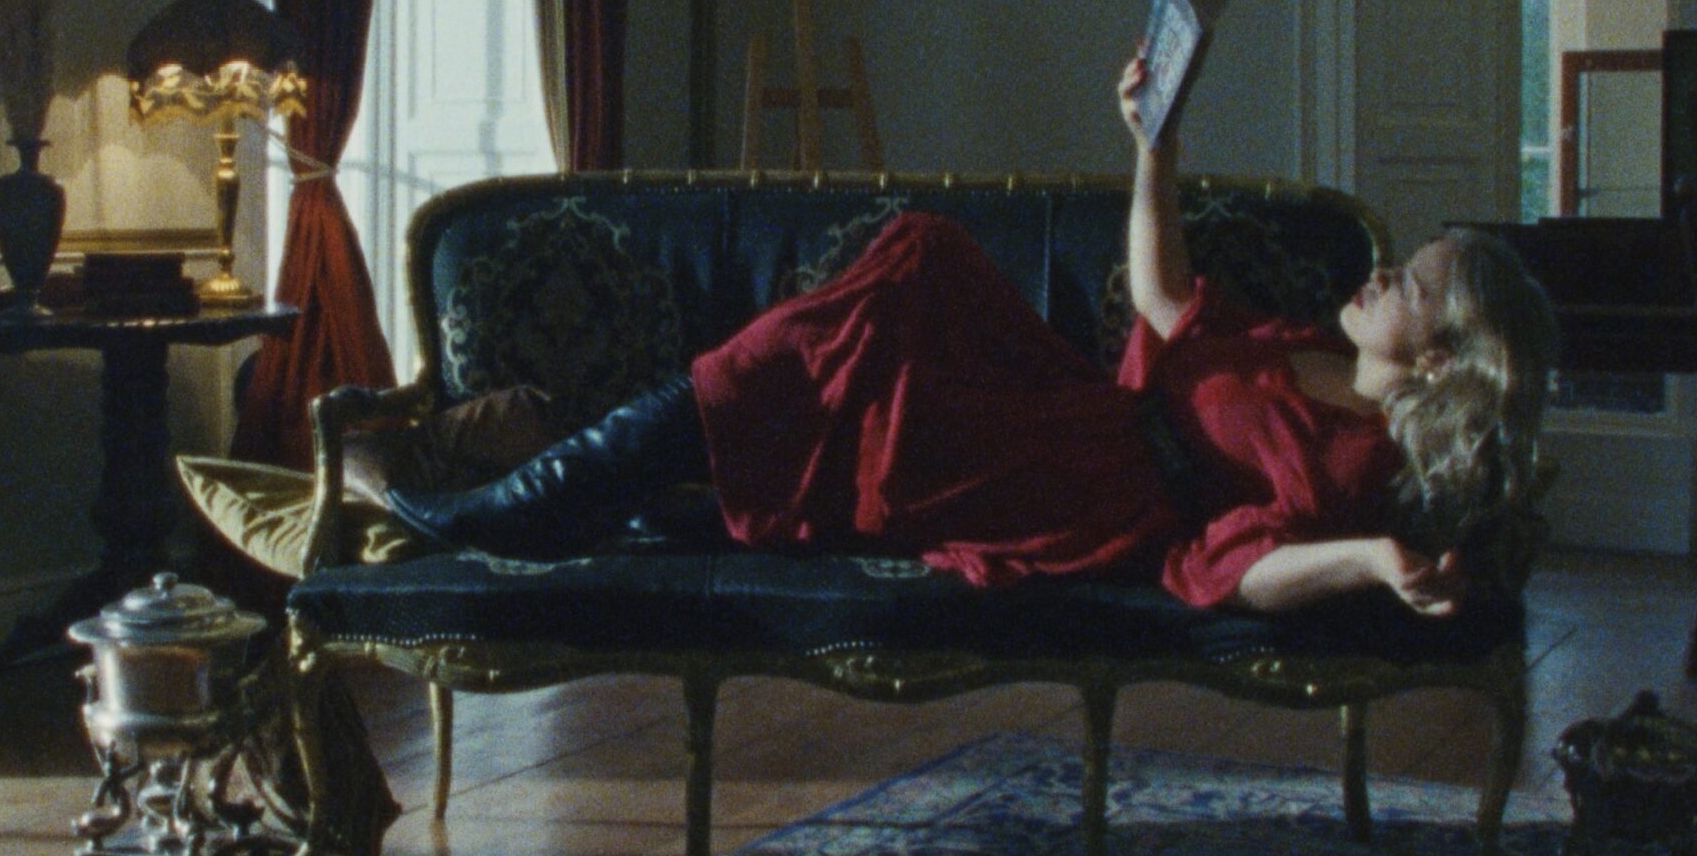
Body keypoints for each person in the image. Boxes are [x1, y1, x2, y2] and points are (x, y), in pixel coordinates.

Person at [388, 51, 1559, 617]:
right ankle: (570, 490)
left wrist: (1366, 559)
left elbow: (1239, 568)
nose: (1379, 271)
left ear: (1441, 357)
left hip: (1081, 498)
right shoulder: (1307, 344)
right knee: (924, 260)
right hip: (1072, 418)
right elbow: (1166, 303)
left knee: (858, 366)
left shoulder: (1361, 462)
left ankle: (516, 504)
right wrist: (1155, 141)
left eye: (1408, 284)